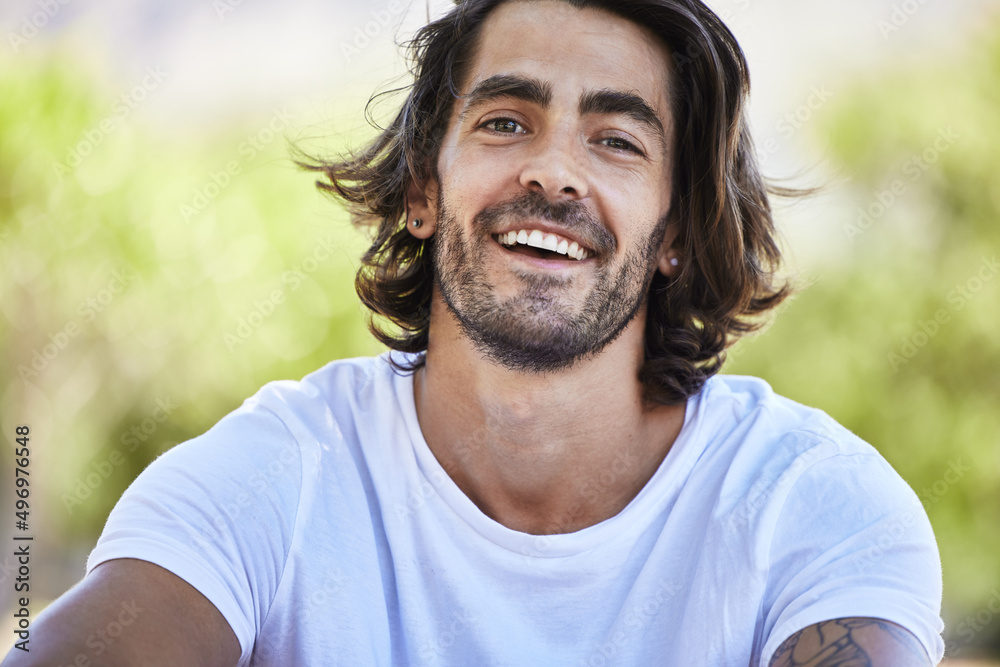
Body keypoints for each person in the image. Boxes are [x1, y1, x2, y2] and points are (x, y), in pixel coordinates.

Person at [4, 0, 944, 665]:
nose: (555, 171)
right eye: (505, 120)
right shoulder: (275, 477)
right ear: (421, 190)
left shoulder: (811, 505)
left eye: (617, 140)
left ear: (677, 234)